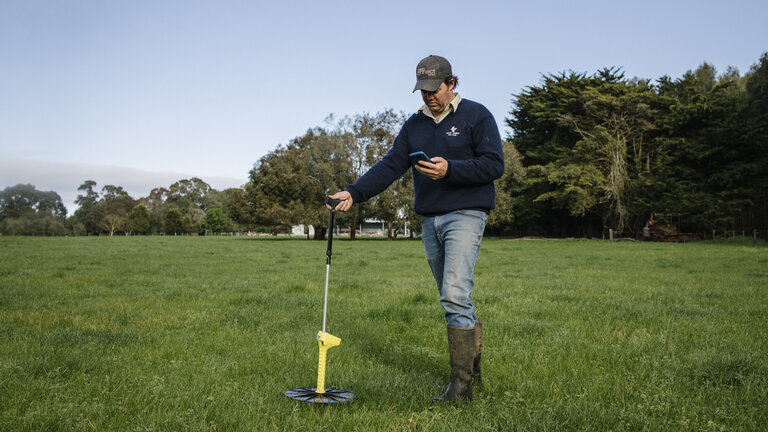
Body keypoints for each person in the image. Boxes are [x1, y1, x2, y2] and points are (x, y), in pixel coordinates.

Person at [329, 55, 504, 403]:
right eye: (422, 91)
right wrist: (353, 192)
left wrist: (450, 169)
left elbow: (493, 164)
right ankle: (473, 374)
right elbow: (391, 165)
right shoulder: (414, 125)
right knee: (455, 297)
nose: (429, 97)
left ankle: (461, 388)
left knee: (454, 294)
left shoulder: (477, 115)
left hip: (466, 213)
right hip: (429, 219)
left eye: (434, 90)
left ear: (451, 84)